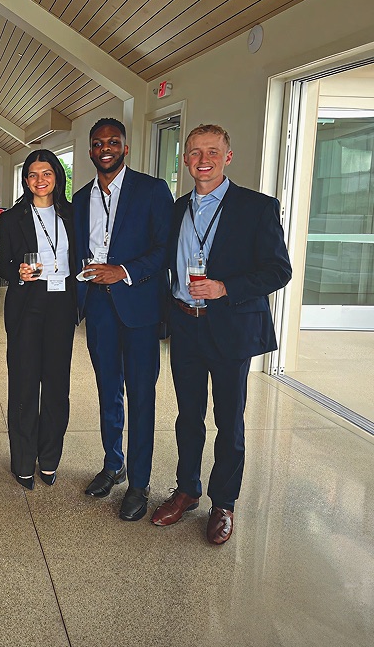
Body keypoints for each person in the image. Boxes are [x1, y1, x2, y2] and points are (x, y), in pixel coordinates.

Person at [150, 124, 292, 544]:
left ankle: (224, 503)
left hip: (230, 326)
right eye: (195, 152)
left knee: (229, 419)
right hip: (184, 325)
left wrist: (225, 287)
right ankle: (187, 490)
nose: (203, 159)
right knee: (187, 416)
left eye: (212, 151)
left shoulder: (257, 207)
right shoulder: (176, 209)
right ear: (185, 160)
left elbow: (278, 270)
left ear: (228, 157)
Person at [73, 117, 173, 521]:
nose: (105, 149)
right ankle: (113, 464)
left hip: (139, 309)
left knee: (141, 395)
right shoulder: (81, 198)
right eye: (98, 144)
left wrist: (123, 271)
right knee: (108, 389)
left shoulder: (152, 190)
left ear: (125, 148)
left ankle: (140, 482)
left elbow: (165, 248)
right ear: (91, 151)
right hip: (98, 307)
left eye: (113, 142)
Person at [0, 150, 77, 489]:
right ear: (25, 180)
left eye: (46, 173)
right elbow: (1, 265)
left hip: (62, 303)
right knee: (24, 385)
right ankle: (22, 460)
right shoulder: (12, 218)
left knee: (57, 386)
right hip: (27, 304)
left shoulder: (73, 213)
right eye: (32, 174)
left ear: (57, 176)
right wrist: (16, 273)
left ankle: (49, 458)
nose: (40, 180)